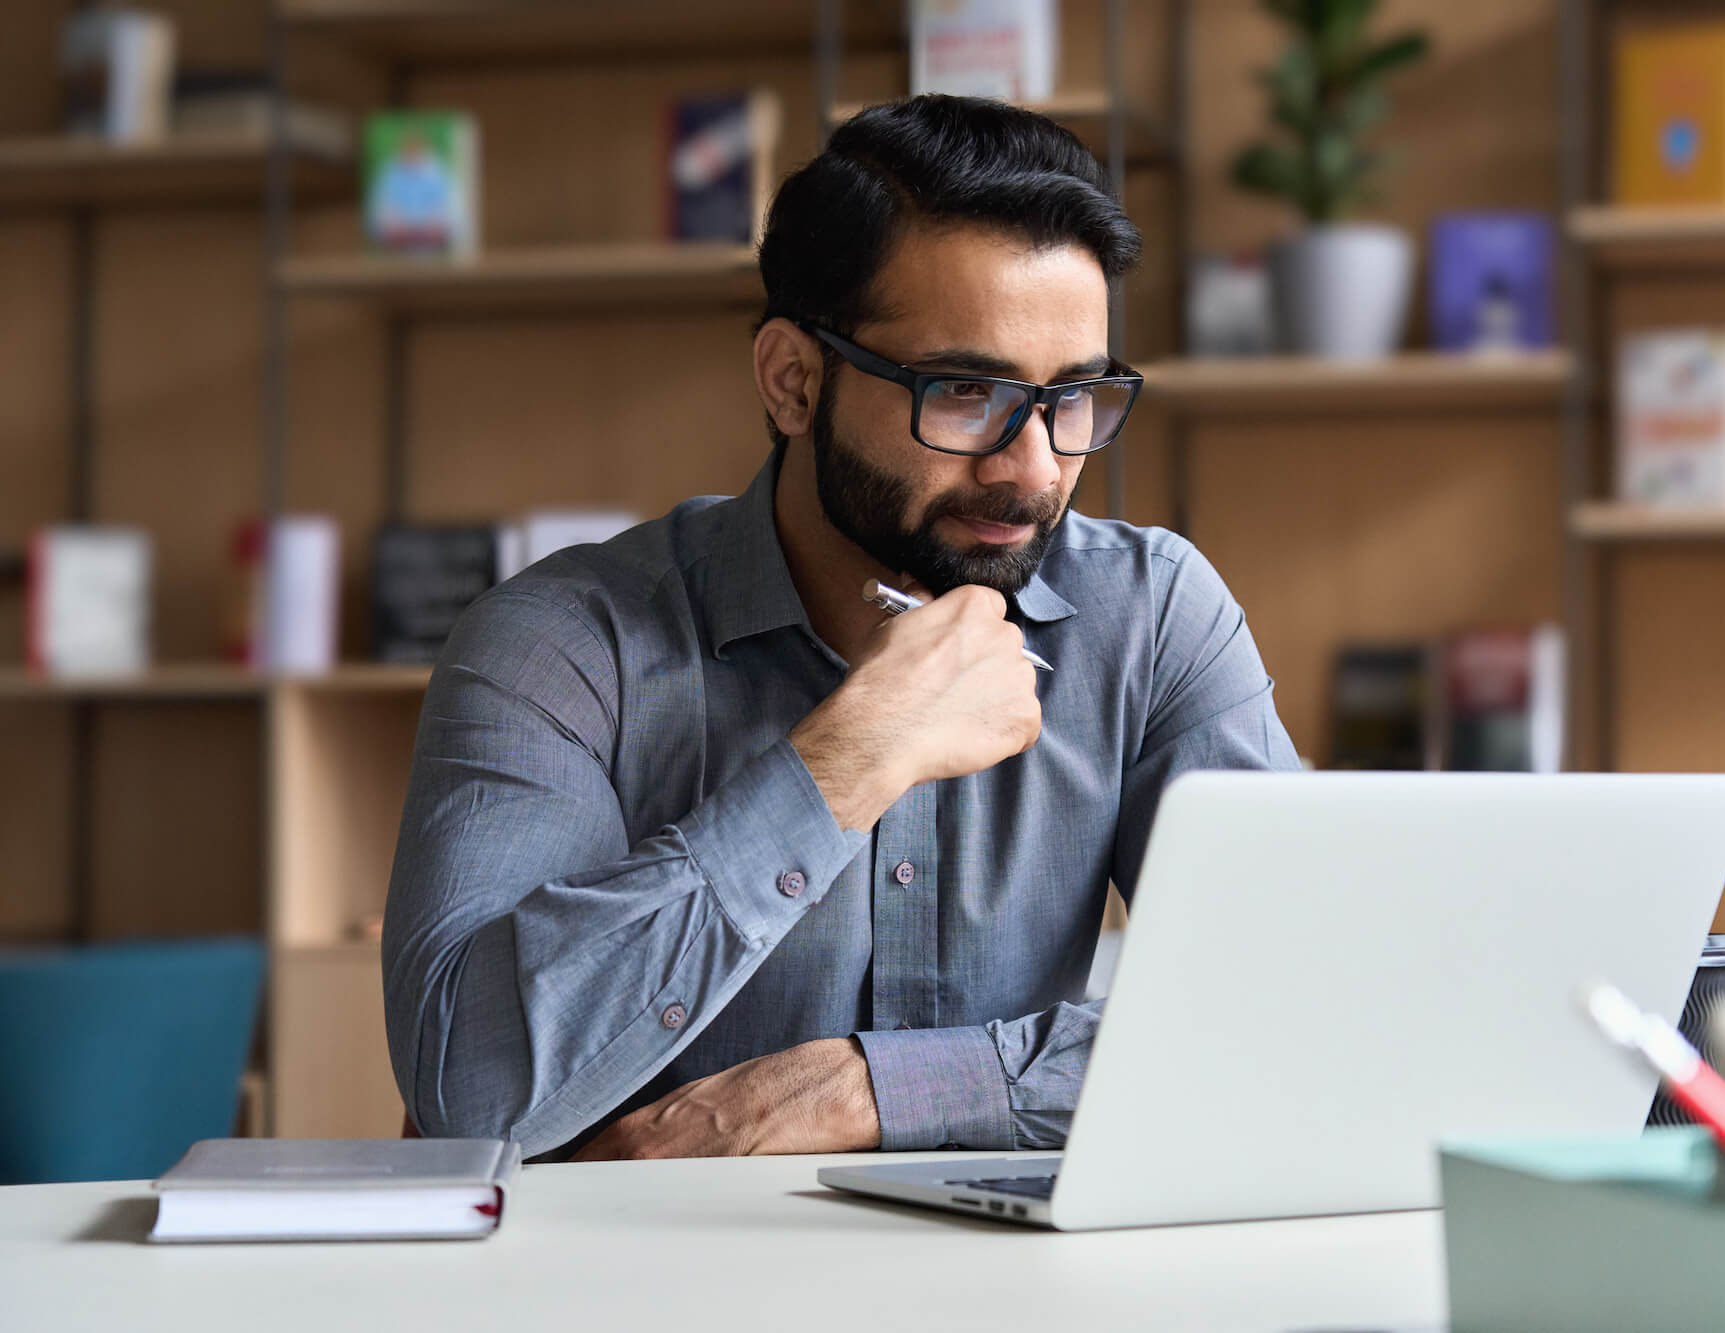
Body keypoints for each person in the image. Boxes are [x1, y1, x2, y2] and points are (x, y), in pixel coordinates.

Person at [382, 94, 1301, 1161]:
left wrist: (863, 1090)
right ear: (791, 380)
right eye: (964, 391)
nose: (1036, 468)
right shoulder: (558, 645)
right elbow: (471, 1091)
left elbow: (1301, 1015)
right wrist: (845, 760)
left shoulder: (1150, 617)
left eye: (1073, 399)